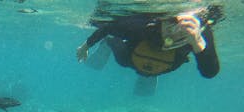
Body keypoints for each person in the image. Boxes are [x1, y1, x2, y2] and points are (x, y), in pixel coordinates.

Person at [76, 6, 221, 94]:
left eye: (184, 25)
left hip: (166, 66)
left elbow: (210, 72)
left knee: (151, 69)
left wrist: (197, 41)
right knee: (113, 41)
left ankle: (149, 74)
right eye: (172, 22)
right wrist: (85, 46)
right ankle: (106, 44)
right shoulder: (145, 26)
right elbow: (109, 27)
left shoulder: (197, 32)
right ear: (163, 19)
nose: (176, 30)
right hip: (129, 58)